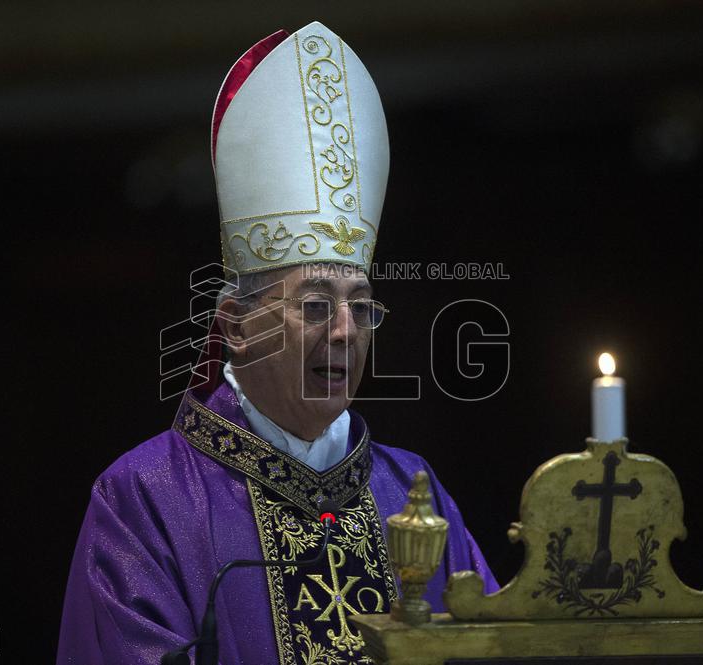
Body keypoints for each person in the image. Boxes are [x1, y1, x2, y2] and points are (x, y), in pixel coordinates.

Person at [57, 21, 498, 665]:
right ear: (236, 325)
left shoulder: (414, 497)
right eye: (317, 306)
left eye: (362, 308)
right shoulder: (145, 500)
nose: (346, 331)